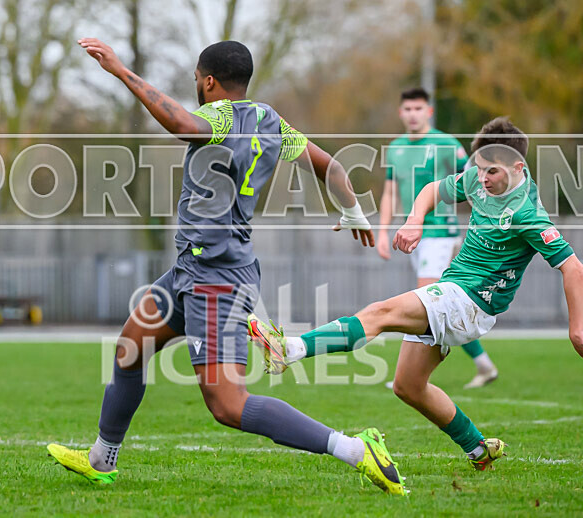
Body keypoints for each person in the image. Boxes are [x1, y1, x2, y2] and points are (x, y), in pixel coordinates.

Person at [47, 38, 407, 495]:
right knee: (130, 350)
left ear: (210, 81)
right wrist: (354, 211)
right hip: (192, 269)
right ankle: (102, 457)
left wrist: (121, 71)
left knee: (227, 405)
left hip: (215, 278)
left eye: (197, 80)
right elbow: (330, 165)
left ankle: (355, 449)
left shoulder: (219, 115)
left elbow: (181, 123)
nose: (196, 87)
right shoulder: (270, 120)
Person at [250, 117, 583, 472]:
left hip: (471, 303)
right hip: (455, 290)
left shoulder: (528, 215)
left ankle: (290, 349)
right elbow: (434, 190)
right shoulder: (479, 179)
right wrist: (416, 218)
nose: (482, 179)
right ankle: (477, 448)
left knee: (381, 313)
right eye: (479, 169)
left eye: (491, 172)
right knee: (408, 385)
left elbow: (572, 267)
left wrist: (575, 331)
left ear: (518, 167)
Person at [378, 87, 497, 389]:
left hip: (441, 234)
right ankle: (484, 365)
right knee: (437, 304)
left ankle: (408, 376)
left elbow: (477, 181)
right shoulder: (396, 148)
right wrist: (382, 232)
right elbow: (390, 192)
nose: (413, 114)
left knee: (424, 300)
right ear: (400, 113)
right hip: (414, 236)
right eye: (407, 109)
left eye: (419, 109)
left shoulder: (447, 143)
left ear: (428, 111)